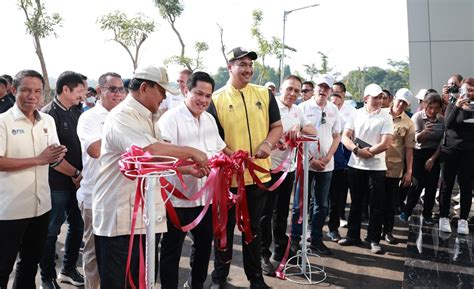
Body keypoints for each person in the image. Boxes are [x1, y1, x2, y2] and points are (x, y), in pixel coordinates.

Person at [92, 64, 208, 288]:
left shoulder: (149, 117)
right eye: (162, 92)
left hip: (143, 216)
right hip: (119, 217)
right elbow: (149, 150)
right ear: (144, 88)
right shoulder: (122, 117)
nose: (164, 98)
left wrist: (185, 167)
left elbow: (155, 159)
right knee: (119, 282)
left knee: (141, 280)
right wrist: (193, 152)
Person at [207, 47, 282, 289]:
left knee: (254, 230)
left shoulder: (264, 94)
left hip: (259, 176)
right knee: (224, 231)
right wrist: (233, 156)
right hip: (228, 179)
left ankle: (256, 279)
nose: (248, 69)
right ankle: (219, 279)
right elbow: (213, 140)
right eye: (242, 64)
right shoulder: (215, 100)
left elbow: (277, 126)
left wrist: (267, 143)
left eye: (250, 64)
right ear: (230, 67)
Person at [157, 71, 225, 289]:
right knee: (171, 251)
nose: (203, 100)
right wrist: (189, 170)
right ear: (186, 90)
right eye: (198, 93)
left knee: (204, 247)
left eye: (208, 96)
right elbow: (162, 159)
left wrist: (236, 160)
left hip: (204, 200)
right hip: (175, 200)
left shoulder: (209, 120)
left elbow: (219, 151)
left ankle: (196, 285)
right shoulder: (170, 119)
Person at [0, 70, 67, 289]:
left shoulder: (47, 120)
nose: (32, 96)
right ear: (13, 90)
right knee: (3, 266)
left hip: (41, 206)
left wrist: (58, 154)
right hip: (10, 209)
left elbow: (51, 154)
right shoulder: (3, 122)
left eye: (37, 91)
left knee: (29, 264)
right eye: (26, 90)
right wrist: (39, 159)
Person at [259, 75, 315, 275]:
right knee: (265, 213)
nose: (292, 94)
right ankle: (262, 253)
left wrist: (299, 127)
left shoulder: (298, 110)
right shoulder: (270, 107)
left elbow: (312, 130)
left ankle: (281, 249)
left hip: (288, 169)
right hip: (268, 169)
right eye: (289, 89)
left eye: (297, 91)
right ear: (281, 88)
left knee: (282, 212)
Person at [76, 72, 126, 289]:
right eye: (112, 89)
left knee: (118, 256)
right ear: (99, 91)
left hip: (121, 197)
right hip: (95, 197)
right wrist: (129, 148)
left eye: (121, 89)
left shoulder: (125, 117)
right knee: (94, 254)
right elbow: (95, 150)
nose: (117, 94)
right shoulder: (89, 117)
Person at [40, 71, 86, 289]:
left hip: (77, 184)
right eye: (79, 91)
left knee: (77, 227)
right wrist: (76, 174)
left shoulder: (76, 111)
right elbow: (53, 158)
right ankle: (47, 276)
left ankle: (68, 269)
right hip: (57, 185)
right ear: (65, 90)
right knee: (51, 231)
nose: (83, 96)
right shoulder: (49, 115)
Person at [338, 83, 393, 254]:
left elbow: (386, 143)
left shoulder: (386, 116)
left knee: (376, 204)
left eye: (381, 97)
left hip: (377, 167)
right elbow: (345, 136)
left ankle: (374, 238)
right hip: (356, 164)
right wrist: (356, 150)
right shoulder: (356, 114)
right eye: (375, 97)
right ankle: (353, 235)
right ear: (365, 98)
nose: (379, 100)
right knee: (356, 202)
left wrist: (367, 152)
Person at [292, 74, 341, 255]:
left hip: (326, 165)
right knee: (299, 204)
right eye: (320, 86)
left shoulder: (333, 109)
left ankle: (316, 239)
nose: (323, 90)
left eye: (326, 88)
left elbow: (337, 136)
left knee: (322, 205)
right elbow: (296, 138)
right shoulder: (302, 107)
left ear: (330, 91)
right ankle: (296, 240)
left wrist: (328, 157)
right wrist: (311, 160)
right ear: (314, 88)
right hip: (306, 164)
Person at [400, 92, 444, 225]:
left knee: (431, 186)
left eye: (436, 108)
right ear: (425, 105)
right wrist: (424, 133)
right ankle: (407, 211)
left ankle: (427, 214)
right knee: (417, 185)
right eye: (430, 107)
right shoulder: (418, 117)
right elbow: (414, 139)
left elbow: (442, 142)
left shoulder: (441, 120)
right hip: (418, 153)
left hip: (434, 154)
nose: (433, 111)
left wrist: (433, 159)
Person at [438, 78, 474, 234]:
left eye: (472, 90)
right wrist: (457, 106)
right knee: (447, 184)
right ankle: (444, 217)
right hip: (451, 151)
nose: (468, 93)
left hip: (469, 152)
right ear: (461, 90)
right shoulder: (453, 104)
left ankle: (463, 220)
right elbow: (448, 125)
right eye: (466, 90)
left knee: (466, 186)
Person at [381, 88, 415, 244]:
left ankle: (387, 232)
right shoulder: (380, 113)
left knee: (390, 202)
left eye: (405, 103)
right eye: (400, 100)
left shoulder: (408, 123)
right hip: (375, 163)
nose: (401, 105)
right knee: (375, 200)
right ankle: (374, 232)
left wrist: (409, 171)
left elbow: (409, 149)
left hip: (394, 167)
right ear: (394, 98)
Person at [327, 82, 357, 240]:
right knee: (318, 200)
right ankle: (312, 230)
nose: (335, 107)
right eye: (333, 104)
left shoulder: (351, 114)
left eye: (338, 104)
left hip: (339, 163)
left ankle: (334, 228)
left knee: (336, 199)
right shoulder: (321, 114)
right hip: (321, 162)